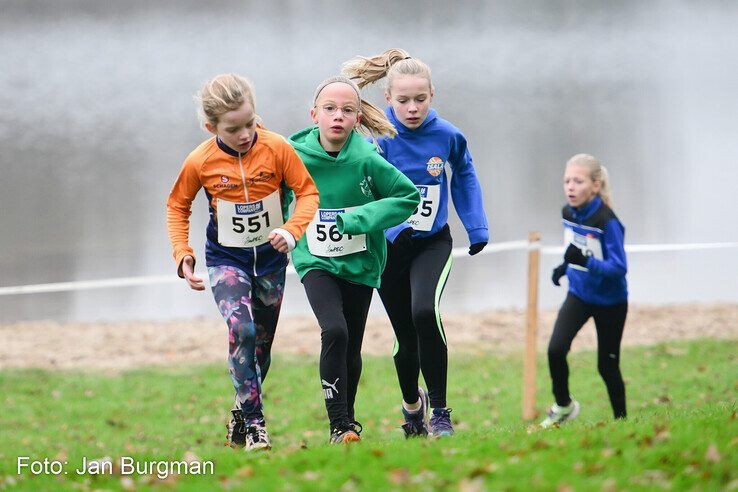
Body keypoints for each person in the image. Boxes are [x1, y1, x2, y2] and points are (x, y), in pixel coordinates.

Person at [166, 74, 319, 450]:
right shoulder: (200, 161)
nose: (245, 134)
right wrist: (182, 253)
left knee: (261, 349)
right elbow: (177, 206)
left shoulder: (278, 148)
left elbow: (307, 192)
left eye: (250, 123)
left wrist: (292, 230)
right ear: (211, 127)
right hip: (226, 260)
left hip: (270, 260)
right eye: (233, 129)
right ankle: (255, 424)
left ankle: (240, 410)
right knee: (242, 331)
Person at [342, 49, 489, 437]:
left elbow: (465, 174)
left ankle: (440, 411)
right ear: (388, 99)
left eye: (420, 99)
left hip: (431, 243)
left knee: (425, 312)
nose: (412, 108)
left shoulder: (448, 135)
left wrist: (476, 226)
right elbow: (361, 186)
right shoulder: (378, 138)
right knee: (406, 338)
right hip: (389, 249)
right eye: (403, 100)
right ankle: (412, 406)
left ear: (432, 95)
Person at [288, 75, 420, 444]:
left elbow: (407, 197)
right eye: (329, 109)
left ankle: (348, 423)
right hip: (315, 259)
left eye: (347, 110)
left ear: (358, 119)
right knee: (335, 330)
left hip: (361, 262)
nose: (337, 117)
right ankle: (339, 425)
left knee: (352, 345)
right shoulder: (293, 155)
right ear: (314, 114)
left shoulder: (367, 158)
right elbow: (273, 188)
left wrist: (358, 220)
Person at [540, 153, 628, 428]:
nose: (570, 187)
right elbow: (576, 248)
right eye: (567, 181)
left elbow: (618, 268)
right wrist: (564, 267)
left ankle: (622, 422)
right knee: (555, 350)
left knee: (607, 367)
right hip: (579, 294)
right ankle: (564, 406)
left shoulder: (607, 220)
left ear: (595, 185)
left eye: (578, 181)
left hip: (611, 301)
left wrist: (585, 262)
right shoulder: (568, 212)